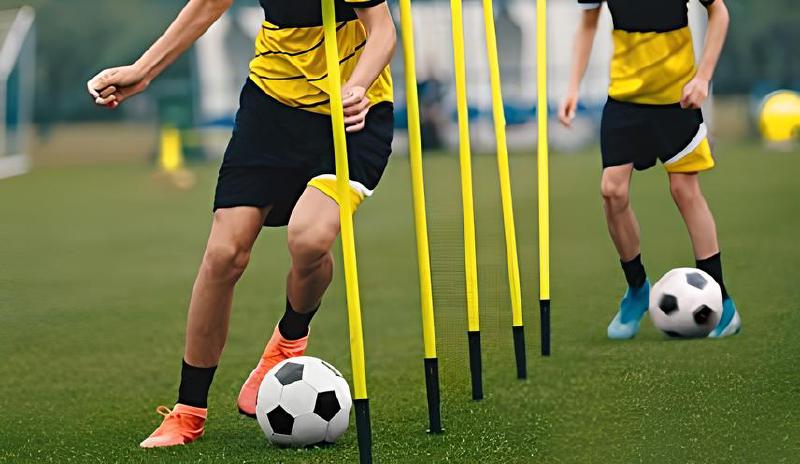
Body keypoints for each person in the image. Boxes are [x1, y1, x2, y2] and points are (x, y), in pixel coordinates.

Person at [87, 0, 396, 448]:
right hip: (272, 109)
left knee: (309, 239)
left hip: (350, 114)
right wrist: (143, 70)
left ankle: (289, 341)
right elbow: (207, 7)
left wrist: (358, 86)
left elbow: (383, 30)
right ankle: (187, 413)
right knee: (224, 254)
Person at [558, 0, 741, 339]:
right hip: (625, 100)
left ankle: (721, 301)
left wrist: (703, 78)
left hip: (678, 98)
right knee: (612, 190)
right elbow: (587, 26)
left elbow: (719, 11)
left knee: (685, 190)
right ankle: (638, 288)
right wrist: (571, 87)